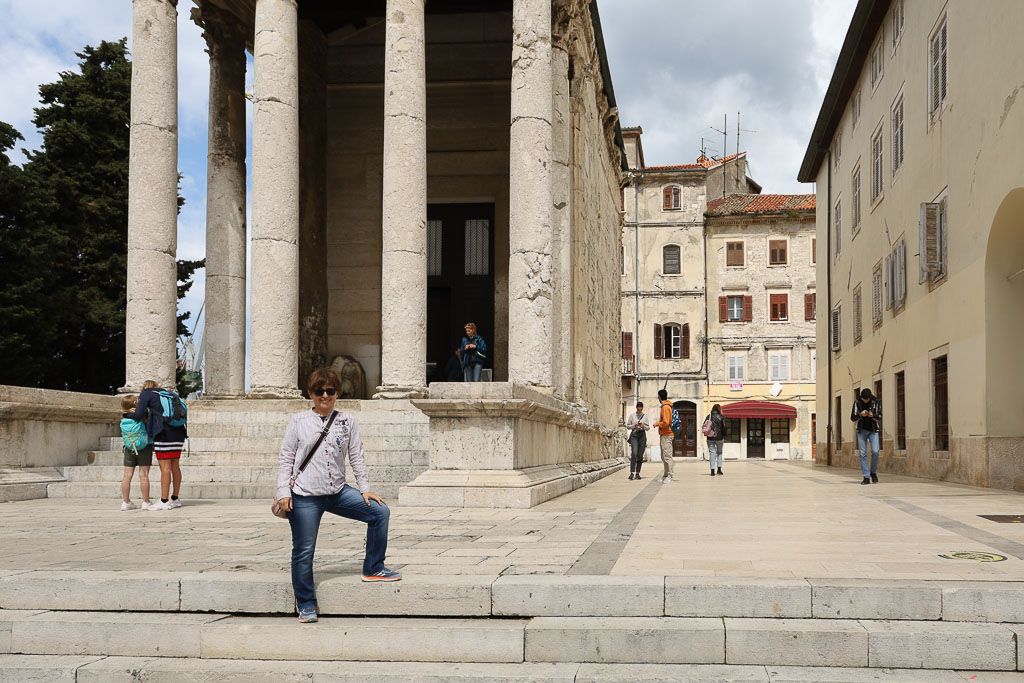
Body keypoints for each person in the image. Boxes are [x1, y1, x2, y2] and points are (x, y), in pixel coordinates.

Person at [274, 367, 400, 624]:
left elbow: (356, 455)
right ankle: (306, 603)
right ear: (311, 393)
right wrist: (283, 492)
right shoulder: (298, 421)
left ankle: (374, 567)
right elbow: (286, 458)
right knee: (304, 550)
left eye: (330, 391)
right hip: (306, 494)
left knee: (380, 512)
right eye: (319, 391)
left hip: (338, 491)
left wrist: (365, 488)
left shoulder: (347, 420)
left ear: (337, 393)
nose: (325, 396)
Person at [127, 380, 186, 510]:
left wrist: (126, 415)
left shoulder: (146, 394)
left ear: (144, 387)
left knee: (165, 468)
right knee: (175, 466)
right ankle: (175, 499)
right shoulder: (167, 393)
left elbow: (138, 415)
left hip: (163, 434)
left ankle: (164, 501)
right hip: (179, 433)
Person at [119, 395, 156, 511]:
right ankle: (146, 502)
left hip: (129, 446)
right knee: (143, 475)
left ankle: (126, 502)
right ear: (135, 403)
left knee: (127, 475)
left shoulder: (123, 417)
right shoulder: (142, 415)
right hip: (144, 446)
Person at [851, 387, 882, 485]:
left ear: (870, 397)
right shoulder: (857, 402)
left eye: (867, 399)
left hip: (873, 430)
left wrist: (873, 415)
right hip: (861, 430)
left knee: (875, 451)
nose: (865, 401)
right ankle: (866, 477)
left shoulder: (875, 401)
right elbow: (853, 417)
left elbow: (880, 416)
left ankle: (873, 472)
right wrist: (860, 414)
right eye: (864, 399)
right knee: (863, 453)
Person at [653, 389, 676, 483]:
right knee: (664, 456)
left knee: (667, 456)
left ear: (659, 397)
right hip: (664, 434)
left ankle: (670, 476)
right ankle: (665, 475)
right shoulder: (665, 406)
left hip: (667, 434)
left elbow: (666, 422)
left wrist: (657, 424)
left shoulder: (665, 407)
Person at [625, 402, 650, 480]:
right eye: (638, 408)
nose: (639, 410)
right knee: (634, 453)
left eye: (641, 409)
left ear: (642, 408)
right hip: (634, 435)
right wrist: (634, 425)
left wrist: (643, 426)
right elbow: (628, 426)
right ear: (636, 408)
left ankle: (637, 473)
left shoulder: (645, 416)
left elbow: (648, 428)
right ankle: (632, 473)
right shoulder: (632, 415)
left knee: (640, 455)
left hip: (642, 435)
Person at [706, 404, 726, 477]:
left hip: (710, 437)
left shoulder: (709, 416)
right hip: (719, 438)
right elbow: (724, 427)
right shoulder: (721, 417)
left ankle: (712, 471)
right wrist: (723, 435)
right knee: (719, 453)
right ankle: (719, 470)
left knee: (712, 453)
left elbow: (705, 425)